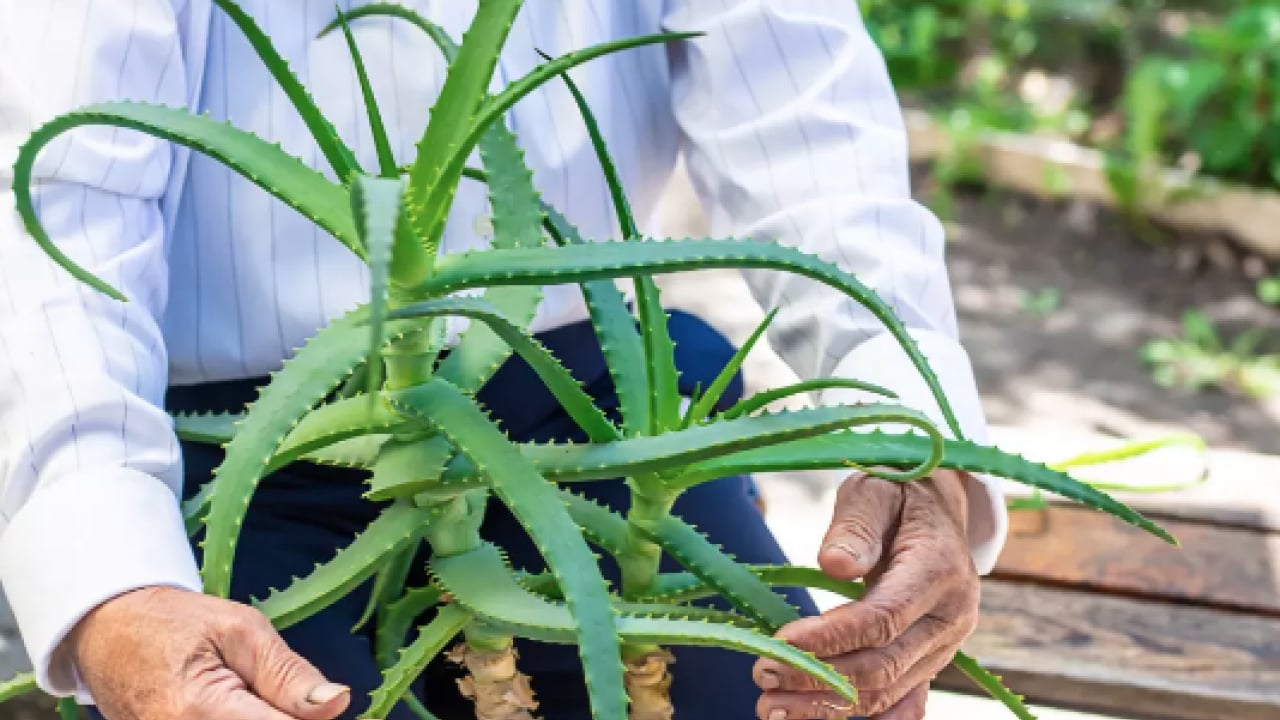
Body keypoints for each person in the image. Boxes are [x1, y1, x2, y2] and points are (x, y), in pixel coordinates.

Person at [0, 2, 1008, 719]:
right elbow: (54, 196)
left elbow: (802, 112)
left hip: (584, 401)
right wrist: (111, 583)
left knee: (782, 700)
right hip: (236, 441)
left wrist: (909, 439)